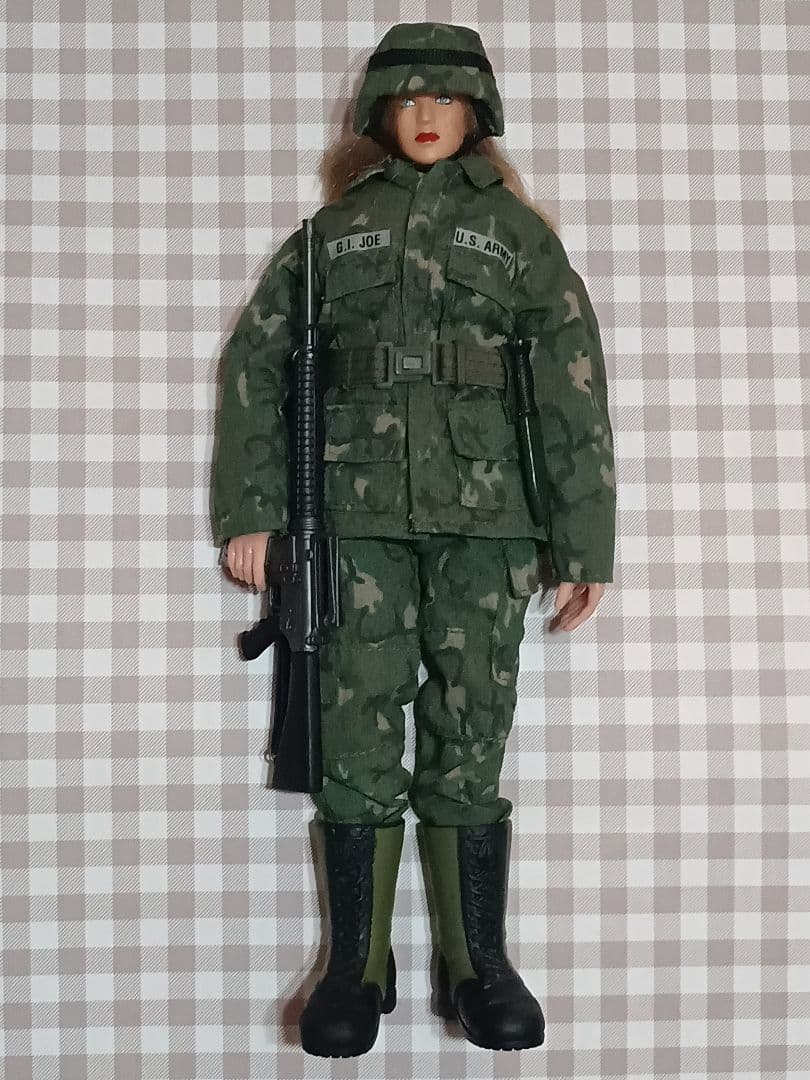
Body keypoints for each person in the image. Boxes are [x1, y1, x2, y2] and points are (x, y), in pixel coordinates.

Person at [211, 21, 616, 1058]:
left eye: (445, 98)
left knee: (472, 728)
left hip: (490, 520)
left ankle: (477, 961)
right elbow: (257, 365)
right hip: (354, 520)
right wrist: (253, 509)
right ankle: (357, 964)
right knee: (354, 729)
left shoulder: (519, 238)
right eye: (406, 98)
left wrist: (585, 543)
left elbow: (571, 389)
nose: (426, 116)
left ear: (478, 113)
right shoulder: (332, 233)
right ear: (377, 114)